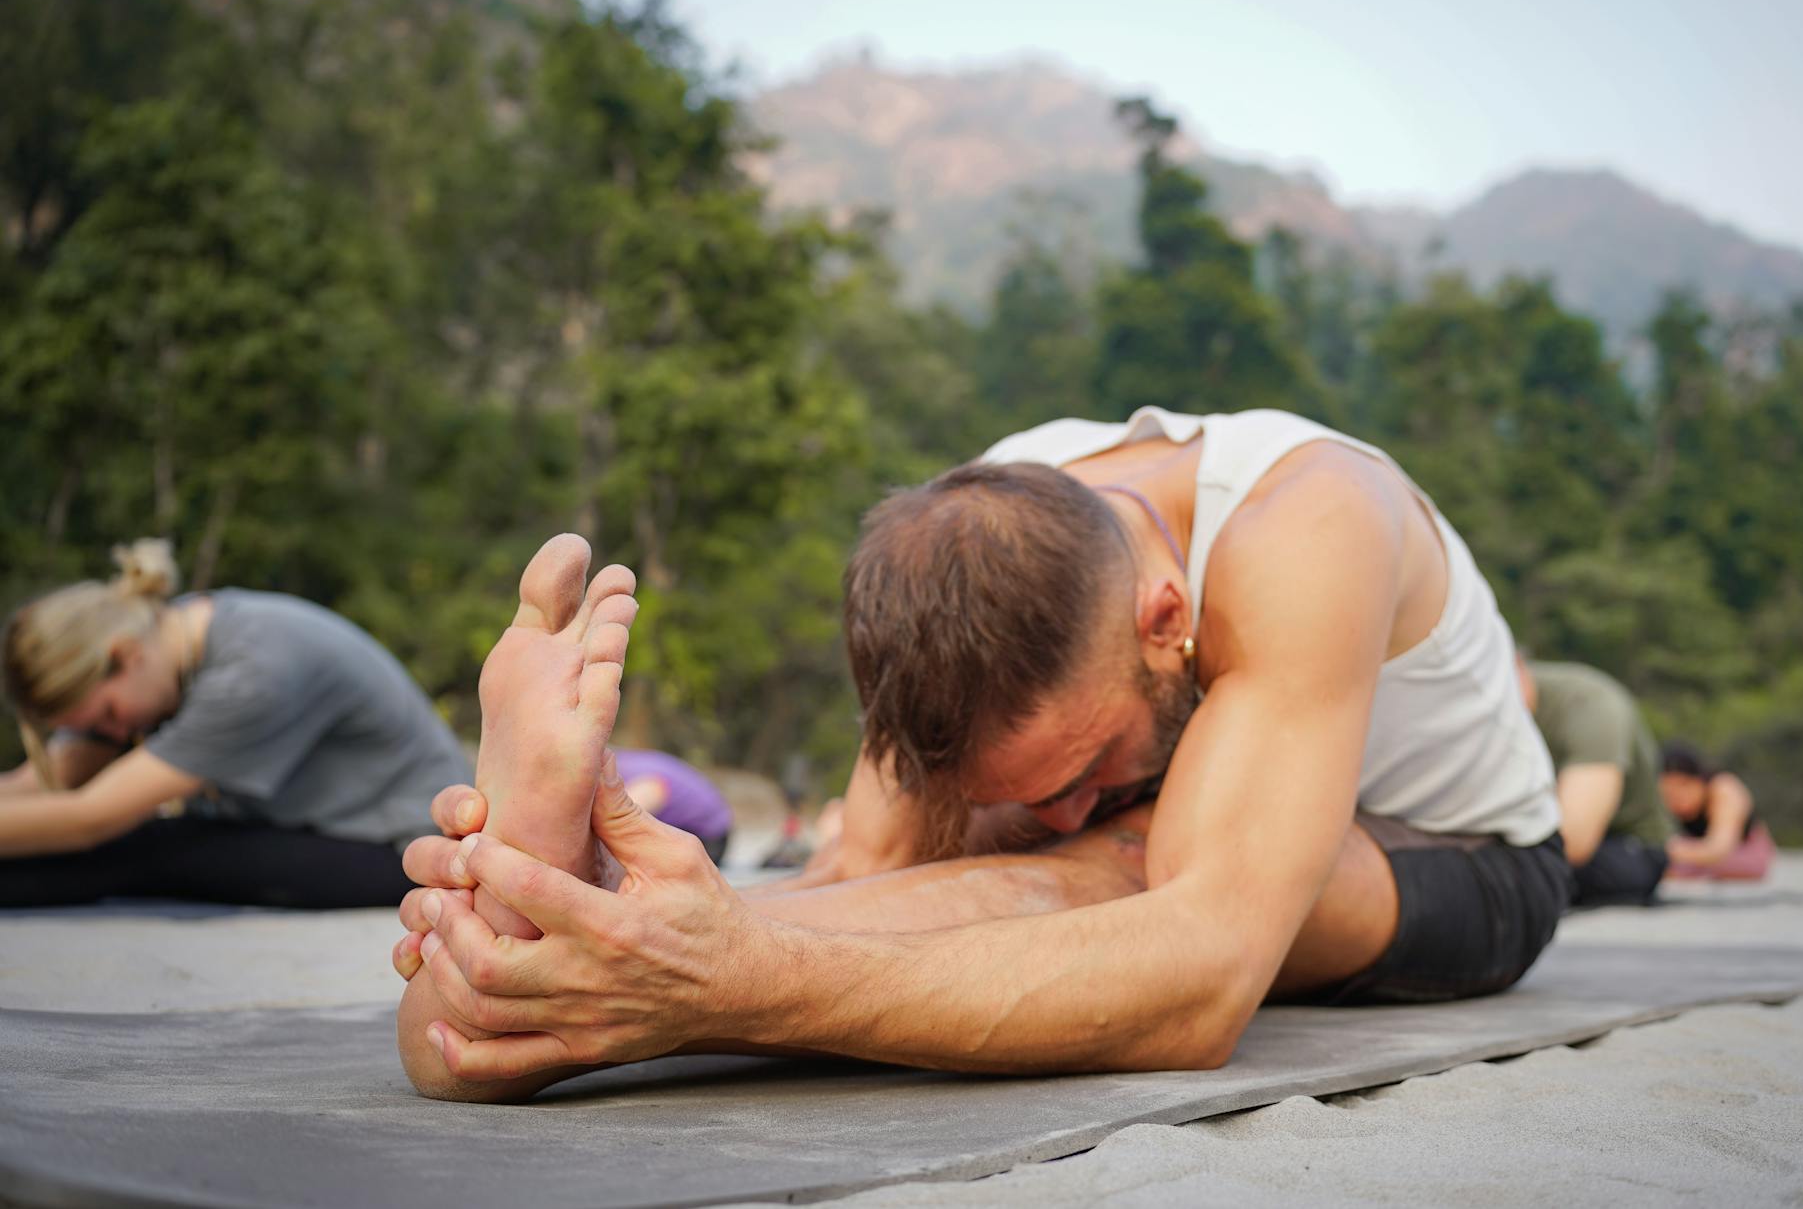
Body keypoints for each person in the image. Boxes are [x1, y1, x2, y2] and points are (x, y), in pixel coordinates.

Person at [390, 407, 1569, 1103]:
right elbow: (860, 881)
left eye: (1075, 767)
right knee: (965, 853)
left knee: (1132, 858)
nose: (1048, 812)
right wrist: (611, 924)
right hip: (1159, 806)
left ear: (1167, 620)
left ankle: (593, 979)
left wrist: (726, 982)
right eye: (1027, 788)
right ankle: (541, 961)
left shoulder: (1306, 519)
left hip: (1463, 859)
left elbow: (1204, 978)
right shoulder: (977, 539)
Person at [0, 540, 471, 908]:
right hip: (313, 827)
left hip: (401, 849)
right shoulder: (166, 638)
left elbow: (89, 819)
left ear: (123, 655)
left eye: (108, 716)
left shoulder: (251, 672)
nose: (115, 734)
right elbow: (48, 781)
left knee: (149, 848)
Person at [1518, 656, 1676, 905]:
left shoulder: (1590, 704)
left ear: (1517, 668)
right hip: (1532, 839)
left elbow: (1574, 843)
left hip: (1626, 844)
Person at [1659, 742, 1775, 880]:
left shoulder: (1724, 789)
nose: (1677, 798)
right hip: (1694, 853)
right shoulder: (1660, 797)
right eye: (1669, 793)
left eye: (1683, 785)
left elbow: (1719, 848)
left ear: (1699, 779)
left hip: (1743, 852)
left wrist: (1669, 850)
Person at [614, 749, 732, 865]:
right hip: (702, 827)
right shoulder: (627, 762)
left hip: (708, 840)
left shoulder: (639, 778)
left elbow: (621, 821)